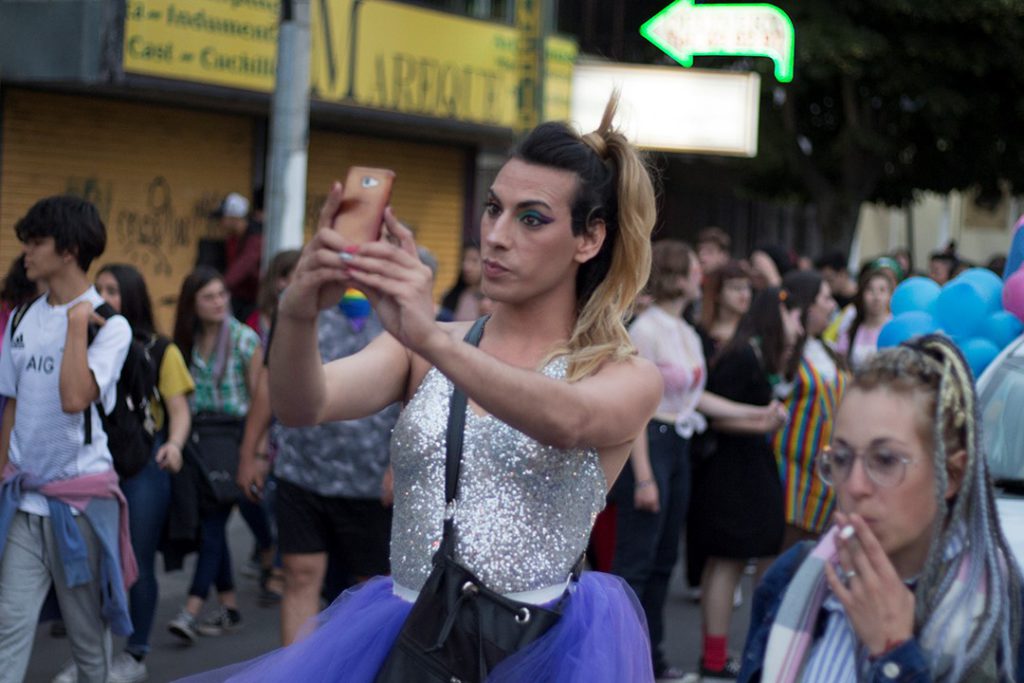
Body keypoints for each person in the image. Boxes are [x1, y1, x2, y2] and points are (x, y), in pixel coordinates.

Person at [188, 97, 662, 681]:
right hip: (408, 634)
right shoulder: (424, 342)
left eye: (531, 218)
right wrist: (299, 310)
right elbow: (301, 403)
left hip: (535, 648)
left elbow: (567, 419)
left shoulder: (623, 372)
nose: (496, 235)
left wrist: (430, 339)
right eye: (493, 209)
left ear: (589, 239)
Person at [738, 335, 1024, 682]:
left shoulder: (997, 607)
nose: (855, 485)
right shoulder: (794, 576)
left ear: (950, 475)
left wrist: (894, 655)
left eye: (885, 460)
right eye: (841, 458)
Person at [610, 240, 785, 680]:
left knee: (665, 559)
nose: (699, 277)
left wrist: (755, 414)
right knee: (637, 561)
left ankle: (653, 657)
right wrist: (645, 476)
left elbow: (696, 399)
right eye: (692, 270)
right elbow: (638, 405)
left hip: (681, 446)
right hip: (648, 442)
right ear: (675, 275)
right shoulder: (646, 329)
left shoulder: (686, 332)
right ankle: (617, 658)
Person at [0, 196, 134, 683]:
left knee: (87, 642)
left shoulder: (109, 326)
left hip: (79, 505)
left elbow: (76, 397)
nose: (27, 253)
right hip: (25, 504)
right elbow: (11, 403)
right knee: (7, 629)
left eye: (37, 243)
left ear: (70, 250)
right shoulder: (20, 318)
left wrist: (76, 324)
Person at [51, 265, 196, 683]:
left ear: (131, 298)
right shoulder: (79, 342)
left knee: (137, 561)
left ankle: (134, 654)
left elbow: (179, 411)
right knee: (91, 565)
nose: (103, 298)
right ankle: (90, 655)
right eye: (98, 289)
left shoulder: (161, 349)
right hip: (90, 466)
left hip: (143, 466)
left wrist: (174, 445)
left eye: (113, 291)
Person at [690, 286, 802, 680]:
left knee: (735, 560)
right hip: (731, 470)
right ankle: (715, 659)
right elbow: (712, 414)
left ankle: (723, 655)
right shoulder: (742, 355)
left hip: (747, 465)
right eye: (795, 317)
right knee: (728, 560)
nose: (799, 326)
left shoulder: (758, 354)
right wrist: (761, 419)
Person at [167, 267, 262, 643]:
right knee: (212, 522)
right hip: (195, 438)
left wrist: (254, 453)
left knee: (213, 519)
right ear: (193, 303)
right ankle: (229, 606)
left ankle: (190, 609)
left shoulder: (244, 339)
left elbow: (260, 400)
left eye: (222, 294)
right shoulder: (185, 341)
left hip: (231, 435)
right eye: (209, 296)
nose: (219, 302)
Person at [774, 269, 845, 550]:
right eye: (825, 298)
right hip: (791, 470)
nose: (832, 306)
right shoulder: (787, 350)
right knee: (785, 553)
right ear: (806, 304)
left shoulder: (828, 350)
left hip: (824, 473)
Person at [214, 192, 262, 323]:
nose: (220, 222)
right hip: (238, 298)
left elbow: (243, 266)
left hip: (253, 302)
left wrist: (218, 287)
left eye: (222, 217)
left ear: (233, 218)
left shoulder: (255, 239)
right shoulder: (233, 239)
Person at [836, 267, 895, 371]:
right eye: (870, 290)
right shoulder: (851, 330)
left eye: (882, 290)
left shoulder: (894, 328)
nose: (876, 297)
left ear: (890, 296)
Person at [437, 243, 483, 321]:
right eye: (464, 260)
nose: (466, 267)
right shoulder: (451, 296)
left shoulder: (495, 300)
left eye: (474, 261)